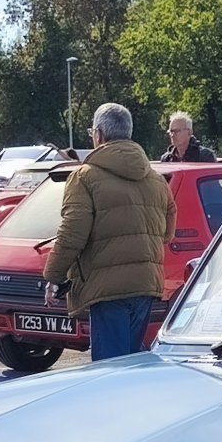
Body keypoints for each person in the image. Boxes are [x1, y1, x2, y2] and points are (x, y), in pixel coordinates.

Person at [42, 102, 175, 360]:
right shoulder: (157, 180)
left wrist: (54, 276)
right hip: (146, 285)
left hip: (107, 290)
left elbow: (72, 233)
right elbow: (167, 233)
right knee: (131, 365)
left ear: (99, 135)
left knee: (109, 373)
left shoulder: (84, 177)